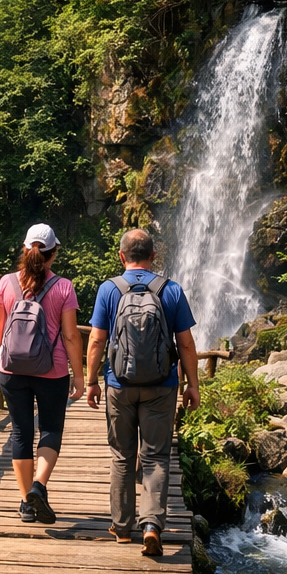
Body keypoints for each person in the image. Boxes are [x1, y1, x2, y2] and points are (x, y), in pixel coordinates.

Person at [85, 229, 200, 556]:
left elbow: (96, 340)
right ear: (154, 256)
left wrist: (91, 380)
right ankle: (151, 526)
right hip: (162, 386)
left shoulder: (109, 290)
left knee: (122, 455)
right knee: (155, 456)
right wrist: (193, 384)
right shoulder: (171, 290)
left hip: (119, 385)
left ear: (122, 256)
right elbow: (186, 344)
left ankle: (122, 528)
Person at [0, 224, 84, 524]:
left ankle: (26, 502)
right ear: (53, 254)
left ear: (26, 250)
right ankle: (39, 485)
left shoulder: (5, 284)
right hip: (52, 370)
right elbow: (70, 337)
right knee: (50, 429)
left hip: (11, 368)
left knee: (20, 431)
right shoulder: (63, 287)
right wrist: (80, 376)